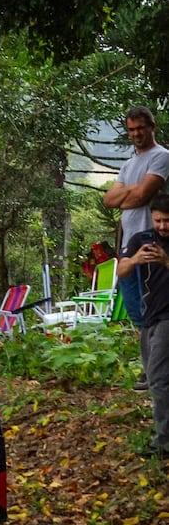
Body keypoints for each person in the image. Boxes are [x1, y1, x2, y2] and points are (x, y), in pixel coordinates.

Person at [104, 106, 169, 389]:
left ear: (151, 127)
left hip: (152, 240)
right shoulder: (129, 164)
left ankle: (154, 372)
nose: (136, 134)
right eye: (131, 129)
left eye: (140, 128)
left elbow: (143, 194)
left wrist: (128, 194)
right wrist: (129, 194)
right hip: (129, 242)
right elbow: (110, 199)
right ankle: (151, 368)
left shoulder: (163, 157)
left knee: (152, 309)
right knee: (136, 310)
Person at [117, 193, 169, 458]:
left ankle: (163, 443)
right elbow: (121, 271)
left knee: (159, 379)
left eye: (167, 221)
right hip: (149, 316)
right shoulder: (141, 240)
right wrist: (136, 259)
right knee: (153, 378)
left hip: (167, 319)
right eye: (158, 221)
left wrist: (165, 261)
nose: (162, 227)